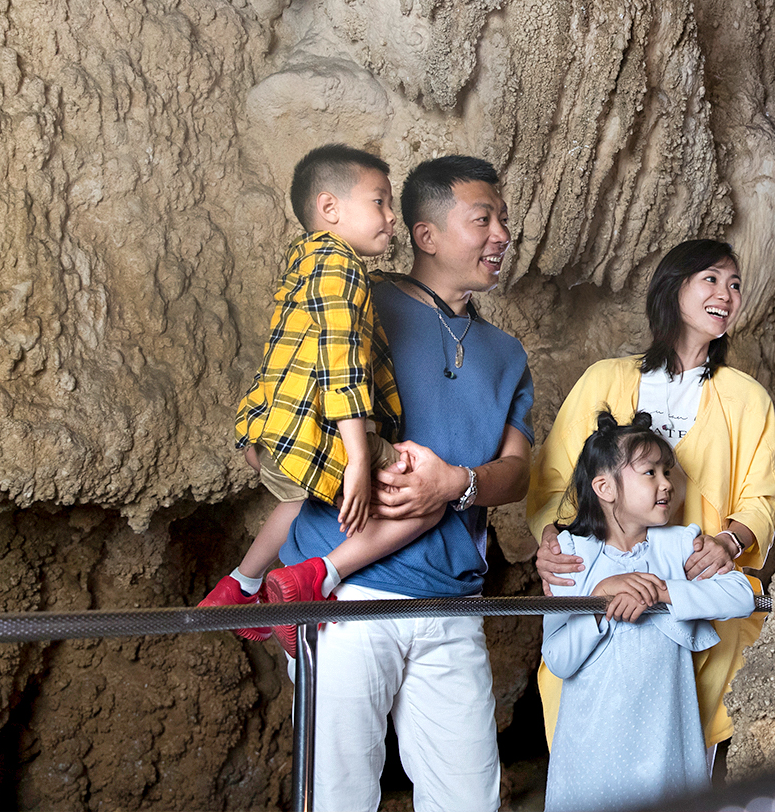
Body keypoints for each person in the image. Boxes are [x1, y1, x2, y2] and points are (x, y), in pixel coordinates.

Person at [279, 155, 534, 812]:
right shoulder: (362, 298)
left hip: (451, 602)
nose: (502, 235)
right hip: (345, 599)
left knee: (469, 800)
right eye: (484, 219)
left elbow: (518, 472)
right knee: (337, 798)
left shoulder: (508, 355)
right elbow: (292, 394)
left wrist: (458, 483)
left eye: (504, 220)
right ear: (427, 235)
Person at [526, 239, 775, 761]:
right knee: (588, 740)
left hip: (693, 591)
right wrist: (553, 540)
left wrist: (729, 542)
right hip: (605, 585)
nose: (726, 294)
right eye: (711, 279)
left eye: (735, 285)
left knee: (684, 751)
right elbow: (554, 479)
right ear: (673, 287)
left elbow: (762, 498)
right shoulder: (605, 380)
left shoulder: (748, 399)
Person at [200, 143, 436, 653]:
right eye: (379, 201)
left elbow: (282, 355)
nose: (391, 217)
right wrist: (359, 458)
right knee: (427, 495)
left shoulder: (303, 262)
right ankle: (316, 579)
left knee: (299, 499)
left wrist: (255, 430)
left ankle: (240, 585)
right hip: (321, 433)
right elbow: (340, 360)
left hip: (281, 434)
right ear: (330, 208)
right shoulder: (341, 266)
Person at [542, 410, 755, 811]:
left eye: (666, 471)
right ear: (604, 487)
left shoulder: (678, 545)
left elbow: (741, 595)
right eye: (650, 473)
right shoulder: (569, 556)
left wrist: (663, 591)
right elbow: (558, 658)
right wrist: (599, 601)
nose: (666, 483)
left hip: (665, 740)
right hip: (593, 747)